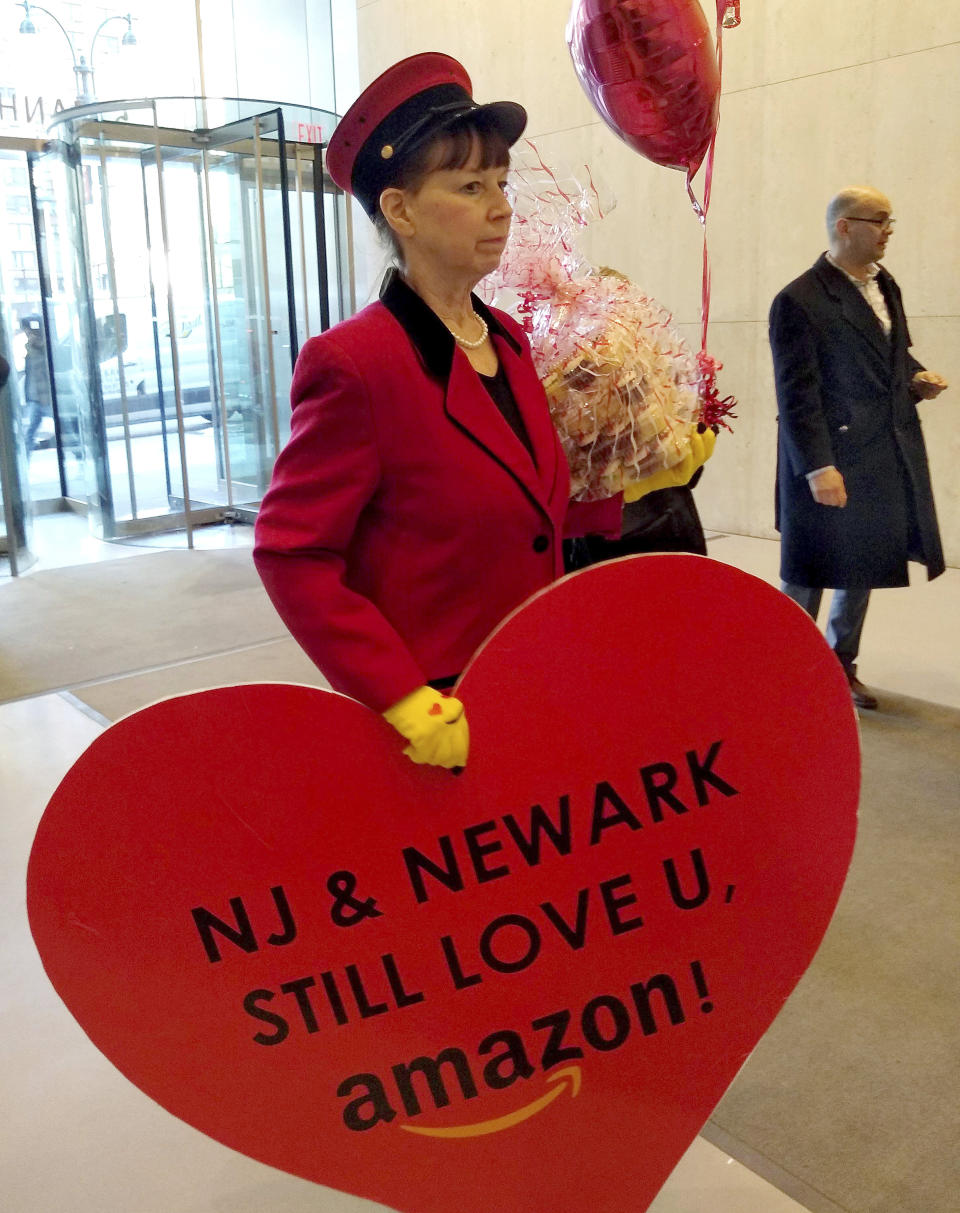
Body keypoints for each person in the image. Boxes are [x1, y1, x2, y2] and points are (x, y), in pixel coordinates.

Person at [254, 53, 619, 770]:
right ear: (400, 210)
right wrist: (398, 694)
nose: (502, 206)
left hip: (527, 677)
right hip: (433, 715)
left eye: (502, 183)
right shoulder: (355, 364)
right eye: (470, 185)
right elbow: (292, 552)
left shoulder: (507, 339)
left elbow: (520, 515)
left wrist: (626, 481)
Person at [770, 186, 948, 709]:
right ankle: (787, 670)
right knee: (810, 570)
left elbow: (892, 355)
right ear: (845, 226)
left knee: (863, 564)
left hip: (879, 450)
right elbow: (796, 394)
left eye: (891, 220)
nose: (889, 230)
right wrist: (818, 467)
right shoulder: (798, 299)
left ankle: (839, 665)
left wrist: (916, 378)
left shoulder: (884, 284)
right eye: (879, 220)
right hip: (826, 457)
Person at [20, 316, 52, 452]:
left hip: (45, 398)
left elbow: (41, 371)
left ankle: (79, 454)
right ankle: (25, 463)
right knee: (30, 433)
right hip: (35, 398)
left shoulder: (42, 347)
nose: (28, 335)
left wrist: (34, 346)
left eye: (29, 331)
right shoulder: (30, 349)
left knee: (65, 428)